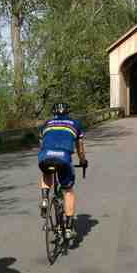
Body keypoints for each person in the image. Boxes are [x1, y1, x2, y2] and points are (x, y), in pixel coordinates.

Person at [37, 102, 88, 243]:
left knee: (46, 173)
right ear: (68, 112)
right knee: (68, 191)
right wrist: (83, 160)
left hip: (46, 157)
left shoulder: (46, 124)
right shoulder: (75, 124)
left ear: (53, 113)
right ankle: (69, 228)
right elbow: (80, 147)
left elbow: (41, 144)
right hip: (63, 159)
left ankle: (45, 199)